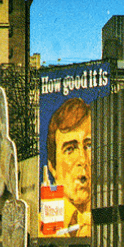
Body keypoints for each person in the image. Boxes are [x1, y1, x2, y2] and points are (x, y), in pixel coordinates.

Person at [45, 97, 92, 237]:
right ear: (52, 167)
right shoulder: (44, 226)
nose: (83, 159)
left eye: (89, 146)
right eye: (70, 149)